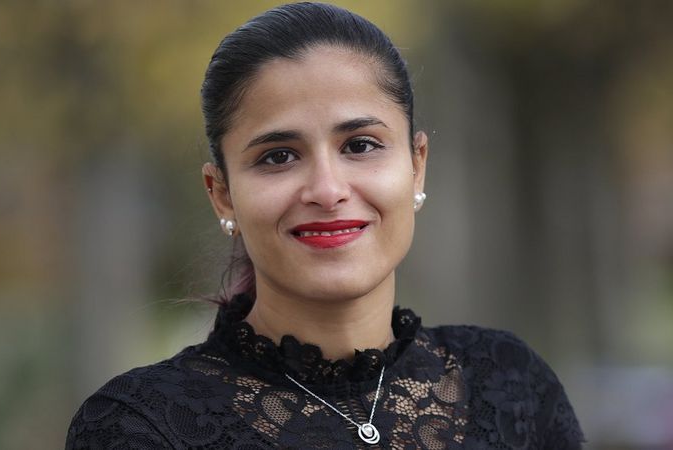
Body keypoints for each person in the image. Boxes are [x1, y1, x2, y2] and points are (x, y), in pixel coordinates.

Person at [66, 3, 585, 449]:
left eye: (360, 145)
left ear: (417, 166)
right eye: (278, 156)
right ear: (221, 193)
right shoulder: (141, 426)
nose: (327, 189)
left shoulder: (511, 385)